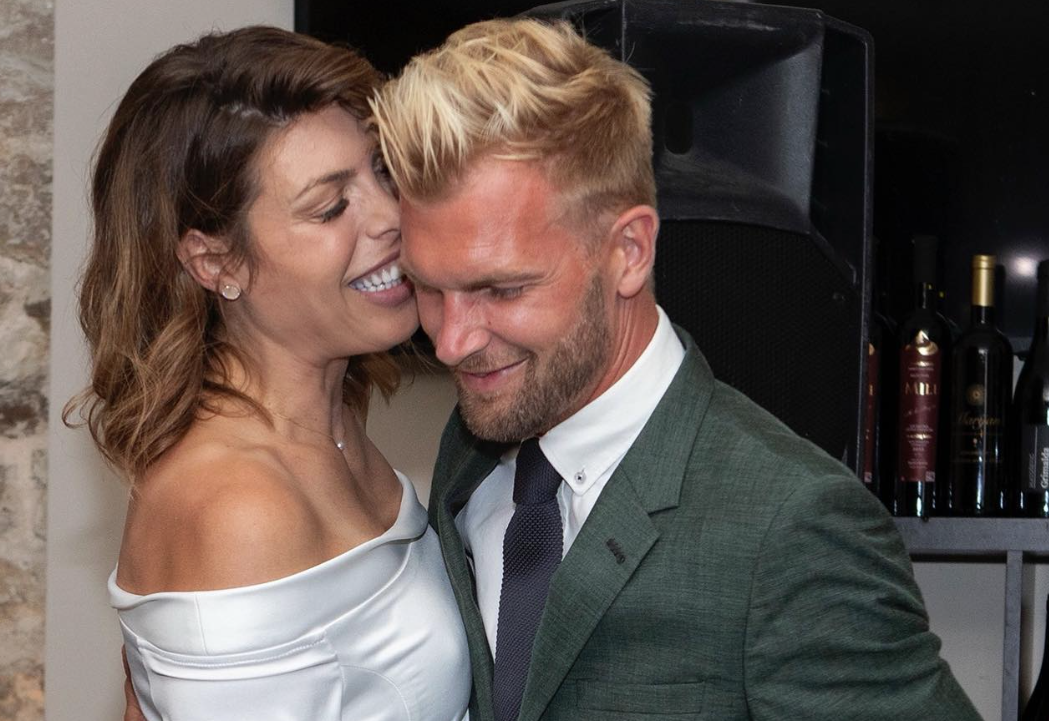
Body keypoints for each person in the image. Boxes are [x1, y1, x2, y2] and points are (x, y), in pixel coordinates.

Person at [371, 18, 982, 721]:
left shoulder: (795, 529)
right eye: (427, 286)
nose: (451, 342)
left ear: (629, 250)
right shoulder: (469, 452)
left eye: (502, 289)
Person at [66, 26, 470, 721]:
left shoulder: (330, 423)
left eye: (381, 172)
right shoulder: (242, 510)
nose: (390, 217)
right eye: (330, 206)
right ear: (216, 262)